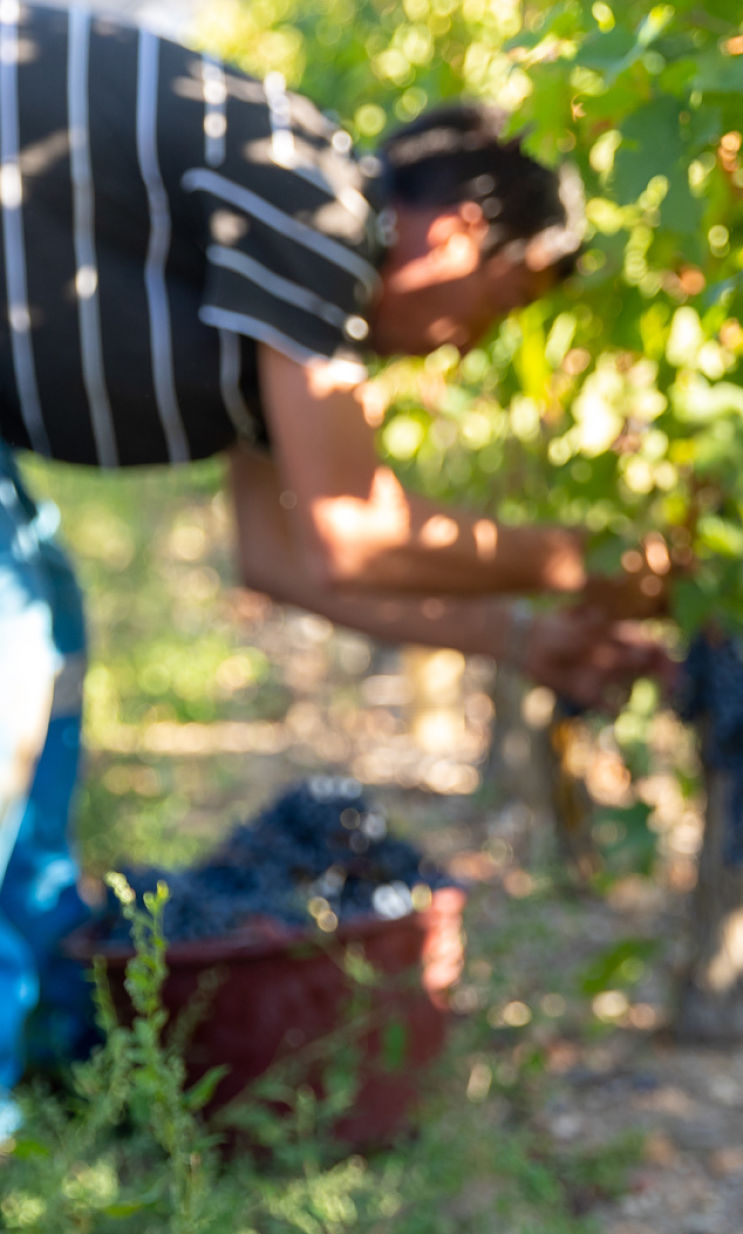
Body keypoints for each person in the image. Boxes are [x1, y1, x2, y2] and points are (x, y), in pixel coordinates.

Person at [0, 3, 673, 1132]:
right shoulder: (314, 201)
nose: (470, 342)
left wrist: (521, 638)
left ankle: (30, 1022)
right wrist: (587, 566)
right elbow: (350, 528)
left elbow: (285, 563)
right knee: (13, 660)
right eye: (496, 307)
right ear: (459, 233)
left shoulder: (299, 297)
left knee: (45, 626)